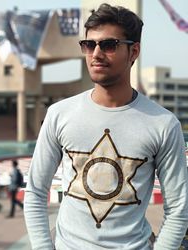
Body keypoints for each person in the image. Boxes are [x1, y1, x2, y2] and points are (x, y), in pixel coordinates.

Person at [24, 3, 188, 250]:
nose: (96, 53)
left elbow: (178, 208)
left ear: (134, 51)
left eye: (109, 45)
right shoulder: (59, 114)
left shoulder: (163, 124)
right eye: (89, 45)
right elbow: (35, 192)